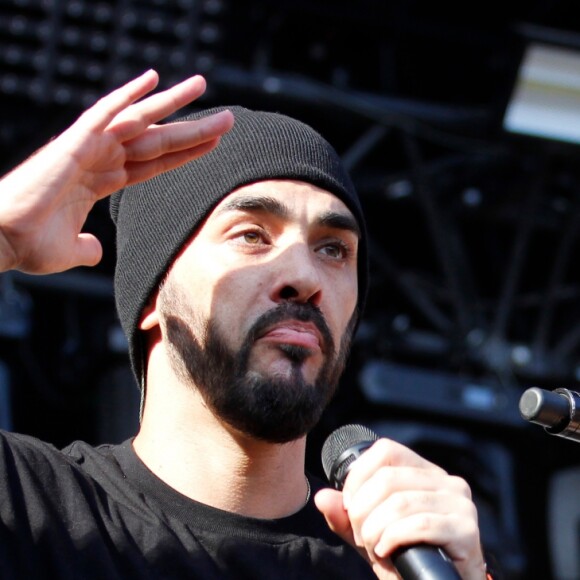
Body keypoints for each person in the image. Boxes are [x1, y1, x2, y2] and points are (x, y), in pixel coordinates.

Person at [0, 70, 490, 579]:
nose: (305, 276)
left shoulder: (396, 563)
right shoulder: (29, 503)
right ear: (153, 296)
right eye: (252, 235)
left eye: (333, 249)